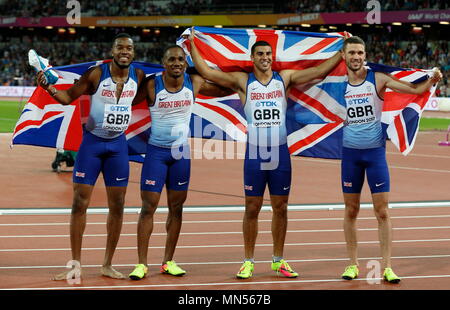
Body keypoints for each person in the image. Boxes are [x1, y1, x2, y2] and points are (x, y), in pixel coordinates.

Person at [189, 30, 344, 279]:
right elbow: (207, 73)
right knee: (252, 207)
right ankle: (248, 261)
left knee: (280, 207)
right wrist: (193, 43)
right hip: (255, 152)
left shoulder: (285, 78)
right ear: (252, 58)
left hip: (280, 152)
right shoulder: (243, 80)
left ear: (273, 57)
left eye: (268, 54)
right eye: (260, 54)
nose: (265, 57)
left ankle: (278, 260)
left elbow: (318, 72)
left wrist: (341, 51)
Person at [36, 33, 145, 280]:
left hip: (118, 147)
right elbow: (67, 98)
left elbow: (139, 100)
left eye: (129, 48)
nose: (124, 51)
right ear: (113, 50)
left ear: (134, 53)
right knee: (79, 203)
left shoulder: (138, 76)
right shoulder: (97, 74)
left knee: (117, 206)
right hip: (92, 146)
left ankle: (107, 264)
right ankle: (75, 265)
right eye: (120, 47)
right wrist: (48, 86)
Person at [339, 36, 442, 283]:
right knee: (351, 210)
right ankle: (352, 265)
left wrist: (433, 78)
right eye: (352, 52)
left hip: (374, 154)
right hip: (350, 155)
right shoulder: (336, 84)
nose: (356, 57)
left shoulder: (379, 79)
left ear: (365, 55)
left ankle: (387, 267)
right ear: (343, 56)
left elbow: (415, 90)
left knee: (382, 211)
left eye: (360, 53)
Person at [128, 45, 232, 280]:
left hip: (180, 155)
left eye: (180, 59)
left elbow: (226, 88)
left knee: (176, 209)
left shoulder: (193, 82)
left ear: (186, 63)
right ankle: (141, 264)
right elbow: (127, 101)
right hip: (156, 153)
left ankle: (168, 261)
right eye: (172, 59)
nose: (176, 62)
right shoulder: (153, 84)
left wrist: (217, 73)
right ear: (164, 63)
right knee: (148, 208)